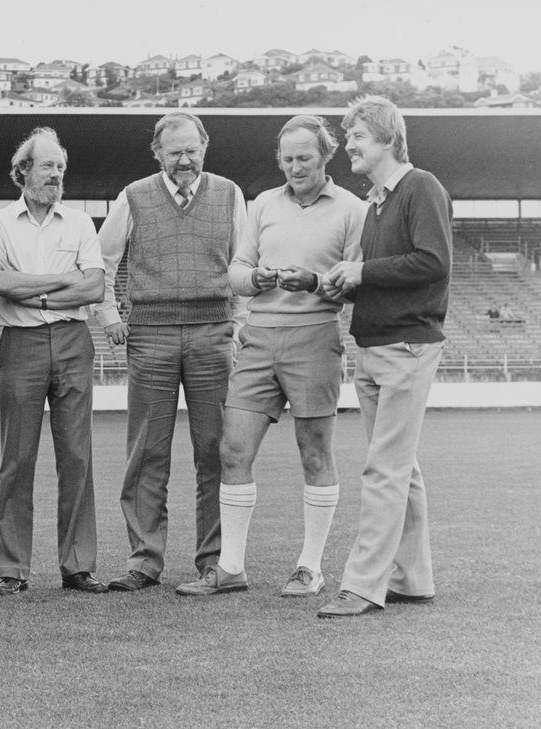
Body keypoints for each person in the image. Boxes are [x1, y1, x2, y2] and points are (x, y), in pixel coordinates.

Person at [176, 115, 366, 597]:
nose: (295, 167)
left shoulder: (351, 209)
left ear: (326, 155)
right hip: (259, 338)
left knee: (315, 452)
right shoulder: (262, 203)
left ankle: (310, 567)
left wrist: (317, 283)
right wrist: (255, 279)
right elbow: (237, 270)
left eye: (305, 157)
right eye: (287, 158)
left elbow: (355, 284)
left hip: (315, 337)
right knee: (232, 449)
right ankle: (232, 568)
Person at [95, 111, 246, 592]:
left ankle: (215, 562)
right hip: (151, 336)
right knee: (147, 453)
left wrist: (238, 325)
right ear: (157, 152)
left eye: (192, 150)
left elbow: (244, 264)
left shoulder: (230, 193)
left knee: (215, 452)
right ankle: (144, 560)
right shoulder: (133, 196)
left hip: (212, 335)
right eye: (174, 152)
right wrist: (110, 316)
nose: (185, 160)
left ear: (205, 148)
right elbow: (102, 259)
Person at [317, 95, 452, 618]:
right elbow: (381, 275)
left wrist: (362, 273)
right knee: (400, 468)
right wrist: (342, 286)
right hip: (373, 344)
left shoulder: (421, 187)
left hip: (406, 345)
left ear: (388, 139)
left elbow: (432, 262)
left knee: (384, 471)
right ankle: (412, 579)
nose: (347, 145)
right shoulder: (375, 201)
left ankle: (363, 585)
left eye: (357, 137)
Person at [0, 127, 108, 595]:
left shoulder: (79, 222)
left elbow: (93, 288)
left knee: (77, 456)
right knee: (17, 458)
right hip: (20, 345)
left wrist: (38, 293)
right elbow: (0, 284)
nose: (57, 175)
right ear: (23, 171)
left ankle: (77, 566)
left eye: (60, 167)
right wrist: (61, 281)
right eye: (48, 166)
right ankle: (12, 570)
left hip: (73, 339)